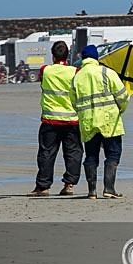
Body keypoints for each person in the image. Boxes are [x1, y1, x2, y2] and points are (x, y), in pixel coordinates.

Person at [69, 44, 129, 199]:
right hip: (110, 121)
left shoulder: (77, 77)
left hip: (88, 123)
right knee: (113, 153)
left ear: (83, 58)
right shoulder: (107, 72)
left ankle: (92, 191)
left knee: (91, 155)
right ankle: (109, 188)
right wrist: (121, 109)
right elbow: (122, 96)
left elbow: (73, 102)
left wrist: (84, 114)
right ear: (96, 57)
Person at [27, 41, 83, 197]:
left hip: (50, 120)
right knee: (73, 153)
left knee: (46, 153)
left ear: (52, 55)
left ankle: (43, 187)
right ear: (68, 55)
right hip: (71, 120)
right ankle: (69, 185)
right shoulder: (75, 72)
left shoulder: (45, 70)